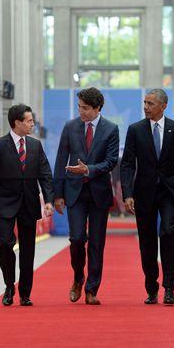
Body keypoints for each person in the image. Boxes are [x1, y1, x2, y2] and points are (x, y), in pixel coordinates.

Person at [120, 89, 174, 305]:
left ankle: (169, 287)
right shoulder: (135, 130)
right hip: (144, 192)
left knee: (169, 231)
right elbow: (127, 164)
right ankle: (151, 287)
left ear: (163, 106)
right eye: (145, 103)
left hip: (170, 191)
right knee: (147, 241)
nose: (146, 107)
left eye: (150, 103)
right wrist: (127, 193)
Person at [53, 87, 119, 305]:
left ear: (97, 108)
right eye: (79, 107)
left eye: (86, 108)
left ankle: (92, 289)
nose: (81, 111)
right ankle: (77, 278)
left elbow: (111, 162)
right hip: (74, 193)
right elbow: (61, 160)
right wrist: (58, 194)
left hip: (99, 193)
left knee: (97, 243)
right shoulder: (70, 127)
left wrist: (88, 169)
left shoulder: (111, 129)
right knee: (77, 239)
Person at [0, 104, 54, 306]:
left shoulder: (35, 145)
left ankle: (25, 293)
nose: (33, 124)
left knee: (28, 249)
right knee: (5, 243)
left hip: (29, 204)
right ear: (17, 123)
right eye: (29, 121)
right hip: (4, 203)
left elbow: (45, 174)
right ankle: (8, 285)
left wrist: (48, 200)